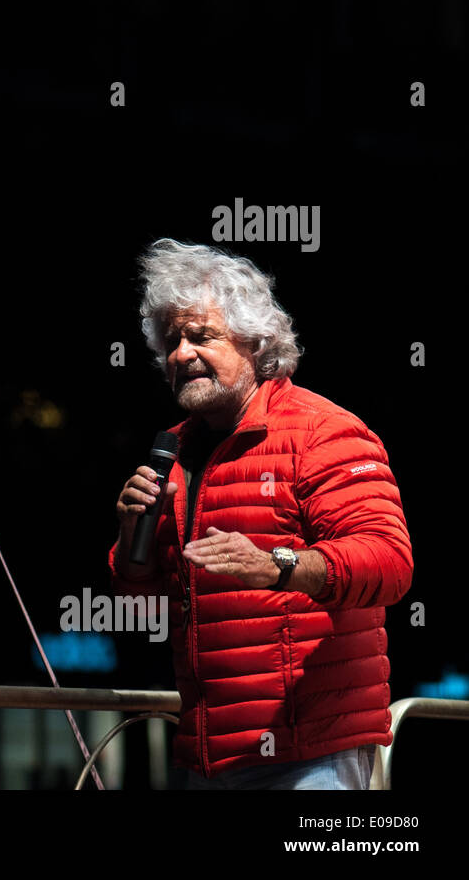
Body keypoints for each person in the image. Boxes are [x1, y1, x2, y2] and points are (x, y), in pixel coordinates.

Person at [109, 238, 413, 789]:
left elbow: (389, 564)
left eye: (201, 336)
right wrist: (132, 542)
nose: (180, 354)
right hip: (205, 756)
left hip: (309, 753)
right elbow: (145, 608)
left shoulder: (324, 431)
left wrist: (279, 565)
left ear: (255, 342)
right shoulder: (173, 450)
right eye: (171, 340)